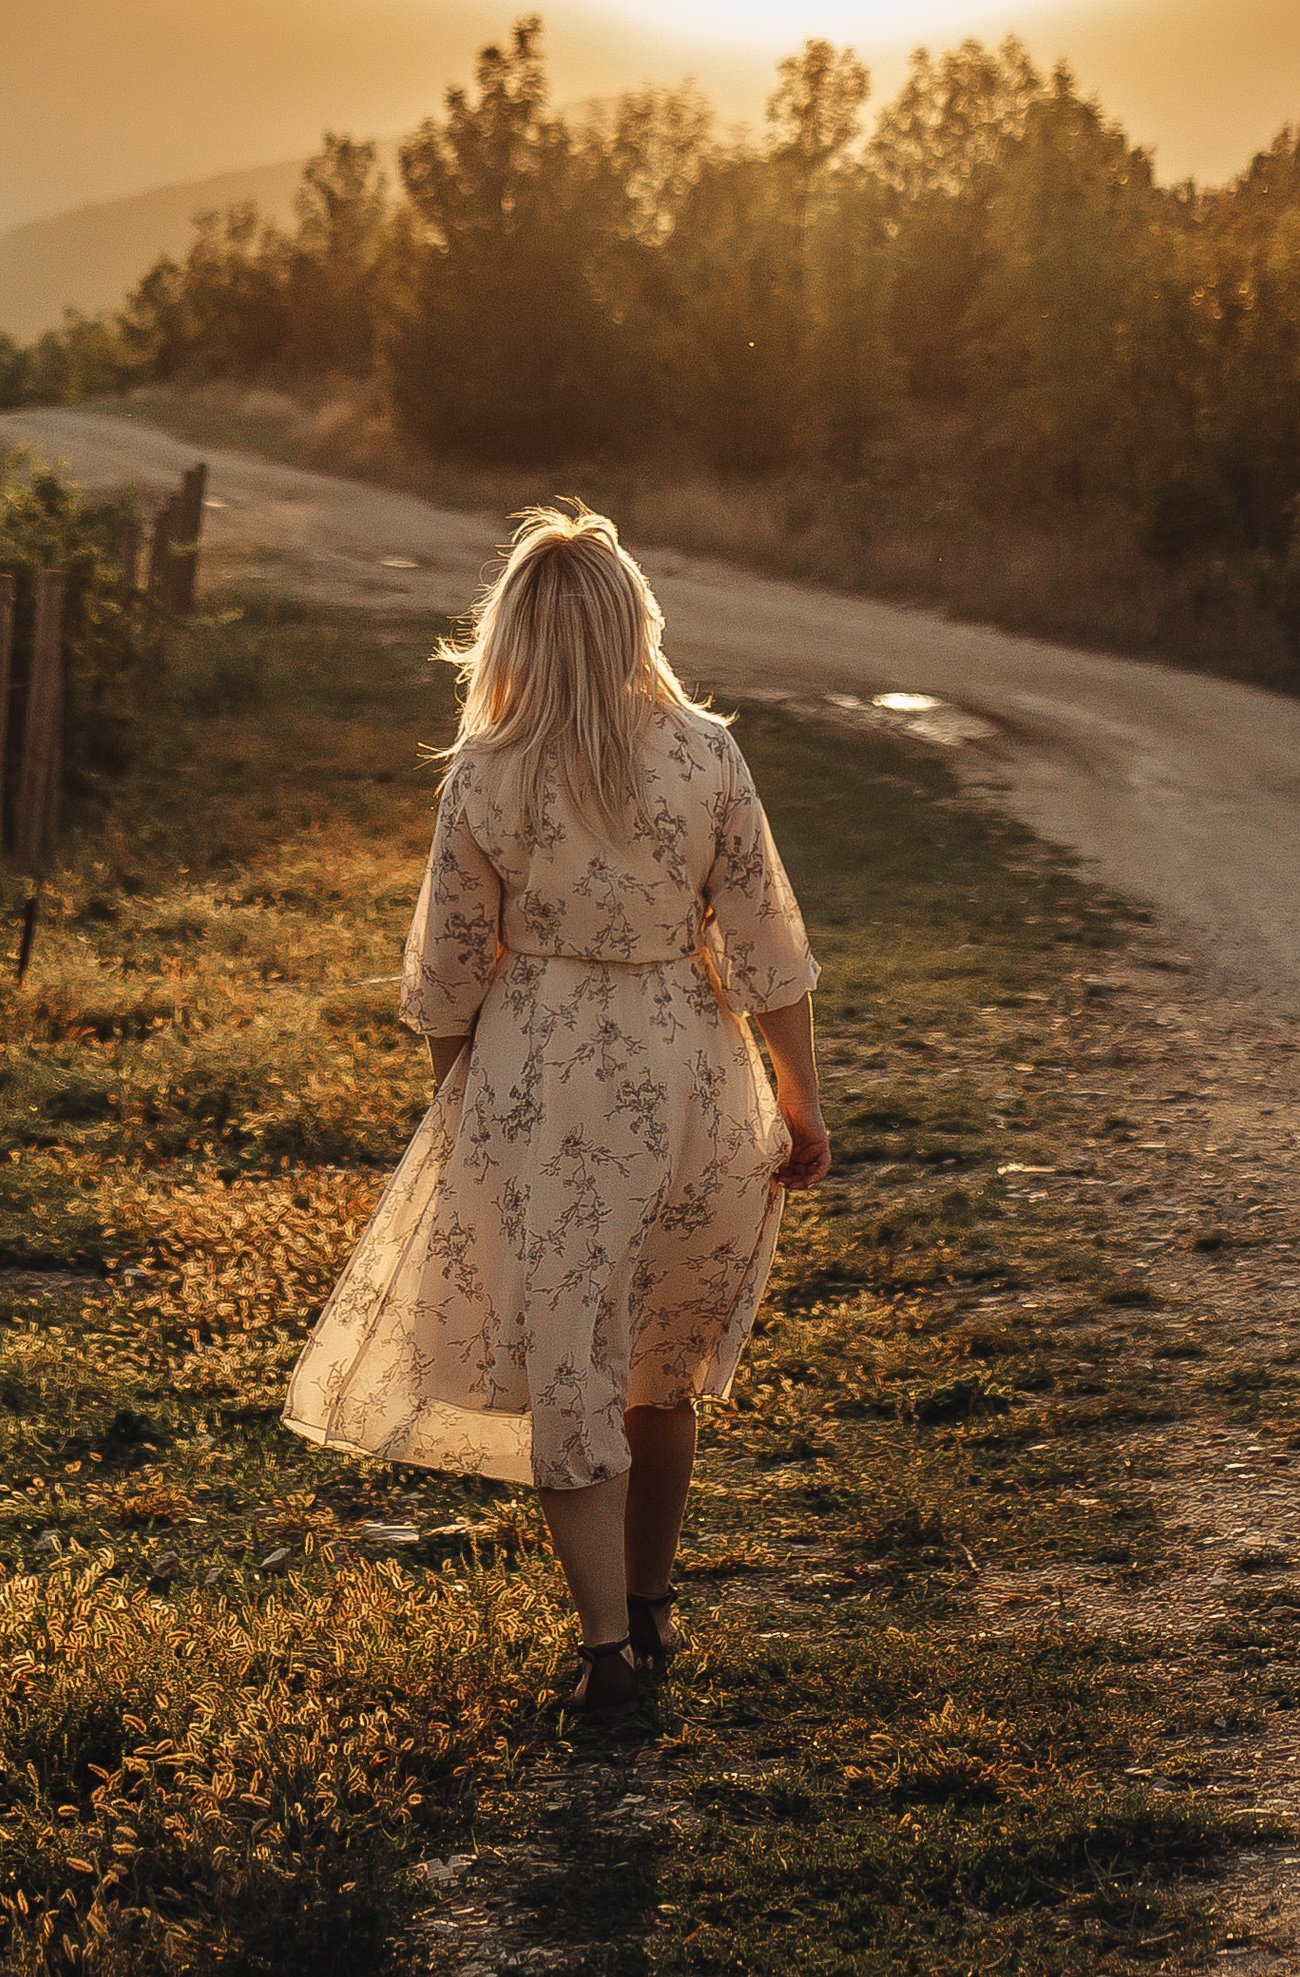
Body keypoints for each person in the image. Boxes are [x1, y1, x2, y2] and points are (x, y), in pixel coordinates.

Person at [284, 501, 829, 1708]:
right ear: (636, 620)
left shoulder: (486, 772)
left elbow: (444, 975)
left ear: (513, 635)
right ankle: (652, 1609)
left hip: (547, 1079)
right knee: (662, 1361)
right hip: (691, 1067)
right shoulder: (705, 755)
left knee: (570, 1354)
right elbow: (766, 945)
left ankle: (605, 1656)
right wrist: (799, 1102)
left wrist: (457, 1115)